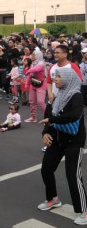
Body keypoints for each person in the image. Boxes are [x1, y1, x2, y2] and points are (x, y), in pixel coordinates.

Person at [38, 68, 87, 225]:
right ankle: (53, 199)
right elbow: (48, 117)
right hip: (57, 139)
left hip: (74, 141)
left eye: (59, 76)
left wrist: (52, 121)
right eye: (55, 76)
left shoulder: (76, 96)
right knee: (46, 169)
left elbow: (73, 115)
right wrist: (45, 133)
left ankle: (85, 211)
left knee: (73, 176)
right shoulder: (56, 96)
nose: (56, 79)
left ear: (67, 78)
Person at [24, 49, 46, 123]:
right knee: (32, 102)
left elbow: (36, 70)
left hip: (41, 85)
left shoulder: (41, 63)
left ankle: (48, 118)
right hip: (33, 84)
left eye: (34, 54)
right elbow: (30, 76)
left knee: (40, 102)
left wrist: (28, 71)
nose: (32, 56)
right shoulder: (33, 63)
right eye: (32, 54)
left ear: (38, 55)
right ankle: (33, 117)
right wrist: (26, 84)